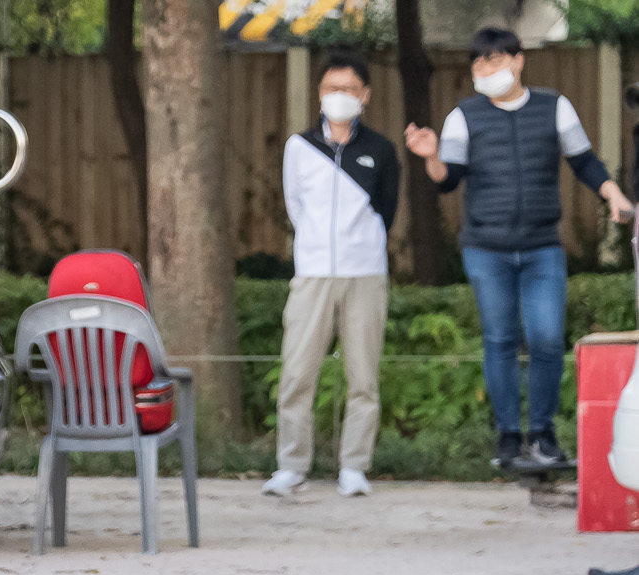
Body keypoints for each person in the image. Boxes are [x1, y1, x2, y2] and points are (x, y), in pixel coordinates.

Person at [407, 26, 635, 474]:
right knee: (500, 339)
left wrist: (612, 194)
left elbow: (584, 161)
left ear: (517, 60)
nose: (484, 70)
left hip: (541, 246)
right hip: (485, 248)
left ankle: (544, 436)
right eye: (477, 64)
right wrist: (431, 156)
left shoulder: (555, 106)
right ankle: (509, 438)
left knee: (548, 339)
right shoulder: (464, 115)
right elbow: (447, 179)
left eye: (493, 61)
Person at [265, 50, 399, 499]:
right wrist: (317, 249)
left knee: (363, 376)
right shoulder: (299, 147)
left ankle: (354, 467)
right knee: (297, 372)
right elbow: (294, 206)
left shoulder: (381, 150)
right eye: (329, 89)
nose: (338, 97)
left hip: (365, 275)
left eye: (347, 89)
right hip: (313, 274)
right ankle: (291, 466)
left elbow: (388, 211)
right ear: (318, 94)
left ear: (365, 95)